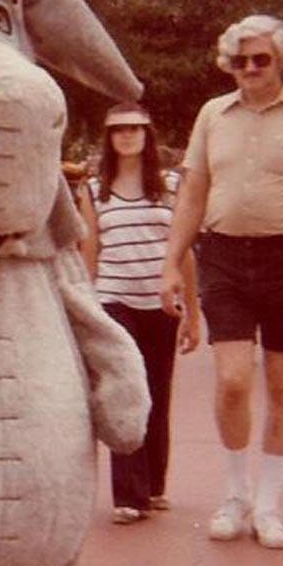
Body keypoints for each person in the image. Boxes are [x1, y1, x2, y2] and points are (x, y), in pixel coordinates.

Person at [160, 14, 283, 549]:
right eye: (240, 61)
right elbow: (192, 193)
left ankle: (268, 503)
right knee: (233, 378)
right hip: (225, 255)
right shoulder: (213, 114)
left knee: (282, 384)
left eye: (260, 59)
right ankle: (235, 495)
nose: (250, 69)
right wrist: (171, 262)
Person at [79, 103, 200, 524]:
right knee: (126, 389)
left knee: (158, 391)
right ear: (109, 139)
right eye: (118, 130)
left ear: (148, 135)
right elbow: (89, 250)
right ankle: (128, 495)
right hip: (113, 300)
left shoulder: (169, 186)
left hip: (160, 301)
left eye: (135, 129)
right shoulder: (94, 191)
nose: (127, 136)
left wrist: (194, 313)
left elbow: (183, 252)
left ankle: (153, 485)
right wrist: (85, 304)